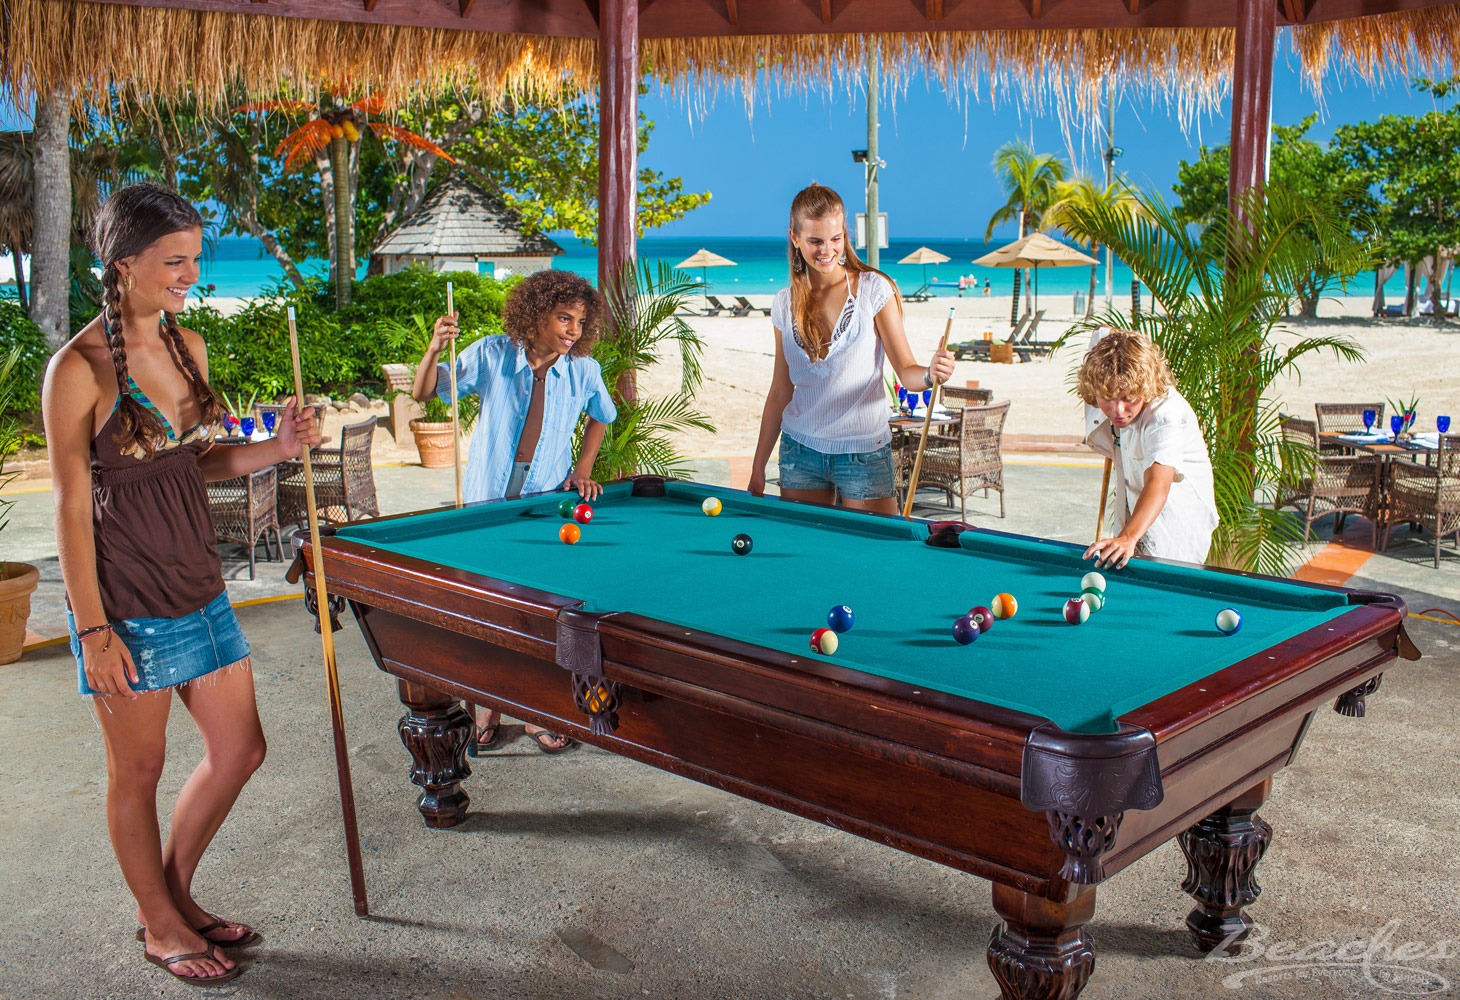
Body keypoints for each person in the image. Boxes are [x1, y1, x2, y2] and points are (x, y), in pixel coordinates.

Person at [43, 183, 322, 987]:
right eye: (174, 261)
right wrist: (92, 630)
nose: (190, 274)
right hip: (126, 602)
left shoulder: (187, 346)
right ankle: (160, 924)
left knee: (241, 750)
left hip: (198, 582)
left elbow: (194, 465)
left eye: (196, 259)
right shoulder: (78, 369)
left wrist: (275, 446)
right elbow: (67, 504)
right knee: (137, 772)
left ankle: (170, 894)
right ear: (122, 265)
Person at [413, 269, 616, 755]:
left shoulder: (584, 370)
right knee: (487, 605)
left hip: (545, 502)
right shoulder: (491, 353)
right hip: (488, 501)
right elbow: (425, 392)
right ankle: (488, 702)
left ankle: (536, 710)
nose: (573, 330)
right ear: (534, 316)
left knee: (541, 609)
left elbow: (601, 416)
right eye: (563, 318)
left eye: (580, 321)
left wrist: (584, 468)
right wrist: (436, 347)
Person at [749, 183, 955, 515]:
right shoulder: (783, 305)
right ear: (795, 238)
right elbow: (780, 390)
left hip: (864, 454)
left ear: (844, 234)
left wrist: (931, 374)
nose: (826, 250)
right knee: (807, 559)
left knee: (876, 558)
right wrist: (758, 467)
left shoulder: (874, 289)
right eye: (815, 241)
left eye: (835, 239)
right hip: (799, 452)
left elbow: (907, 372)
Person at [1077, 328, 1218, 568]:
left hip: (1175, 529)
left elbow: (1158, 483)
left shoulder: (1166, 416)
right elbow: (1101, 340)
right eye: (1107, 398)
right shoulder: (1104, 384)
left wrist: (1128, 537)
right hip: (1136, 515)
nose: (1117, 411)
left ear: (1144, 386)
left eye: (1127, 397)